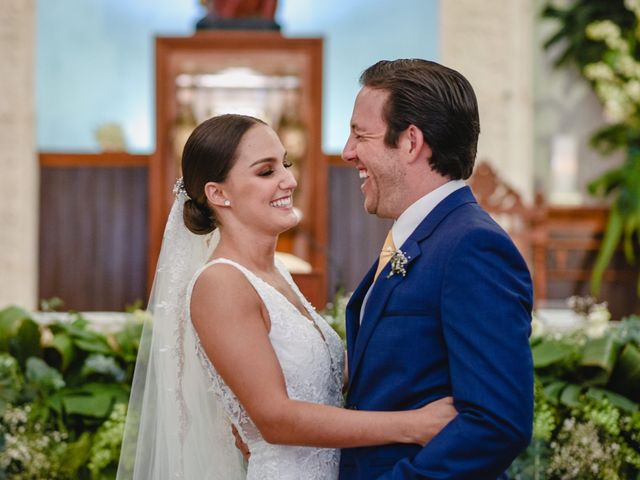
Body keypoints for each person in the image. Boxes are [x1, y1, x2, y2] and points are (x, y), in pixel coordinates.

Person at [116, 113, 457, 480]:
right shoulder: (221, 284)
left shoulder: (277, 273)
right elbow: (276, 419)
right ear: (218, 194)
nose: (289, 180)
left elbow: (317, 384)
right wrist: (413, 425)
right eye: (266, 172)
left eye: (286, 164)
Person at [338, 58, 535, 479]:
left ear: (410, 142)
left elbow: (497, 423)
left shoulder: (472, 246)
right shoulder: (421, 236)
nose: (347, 152)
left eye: (360, 135)